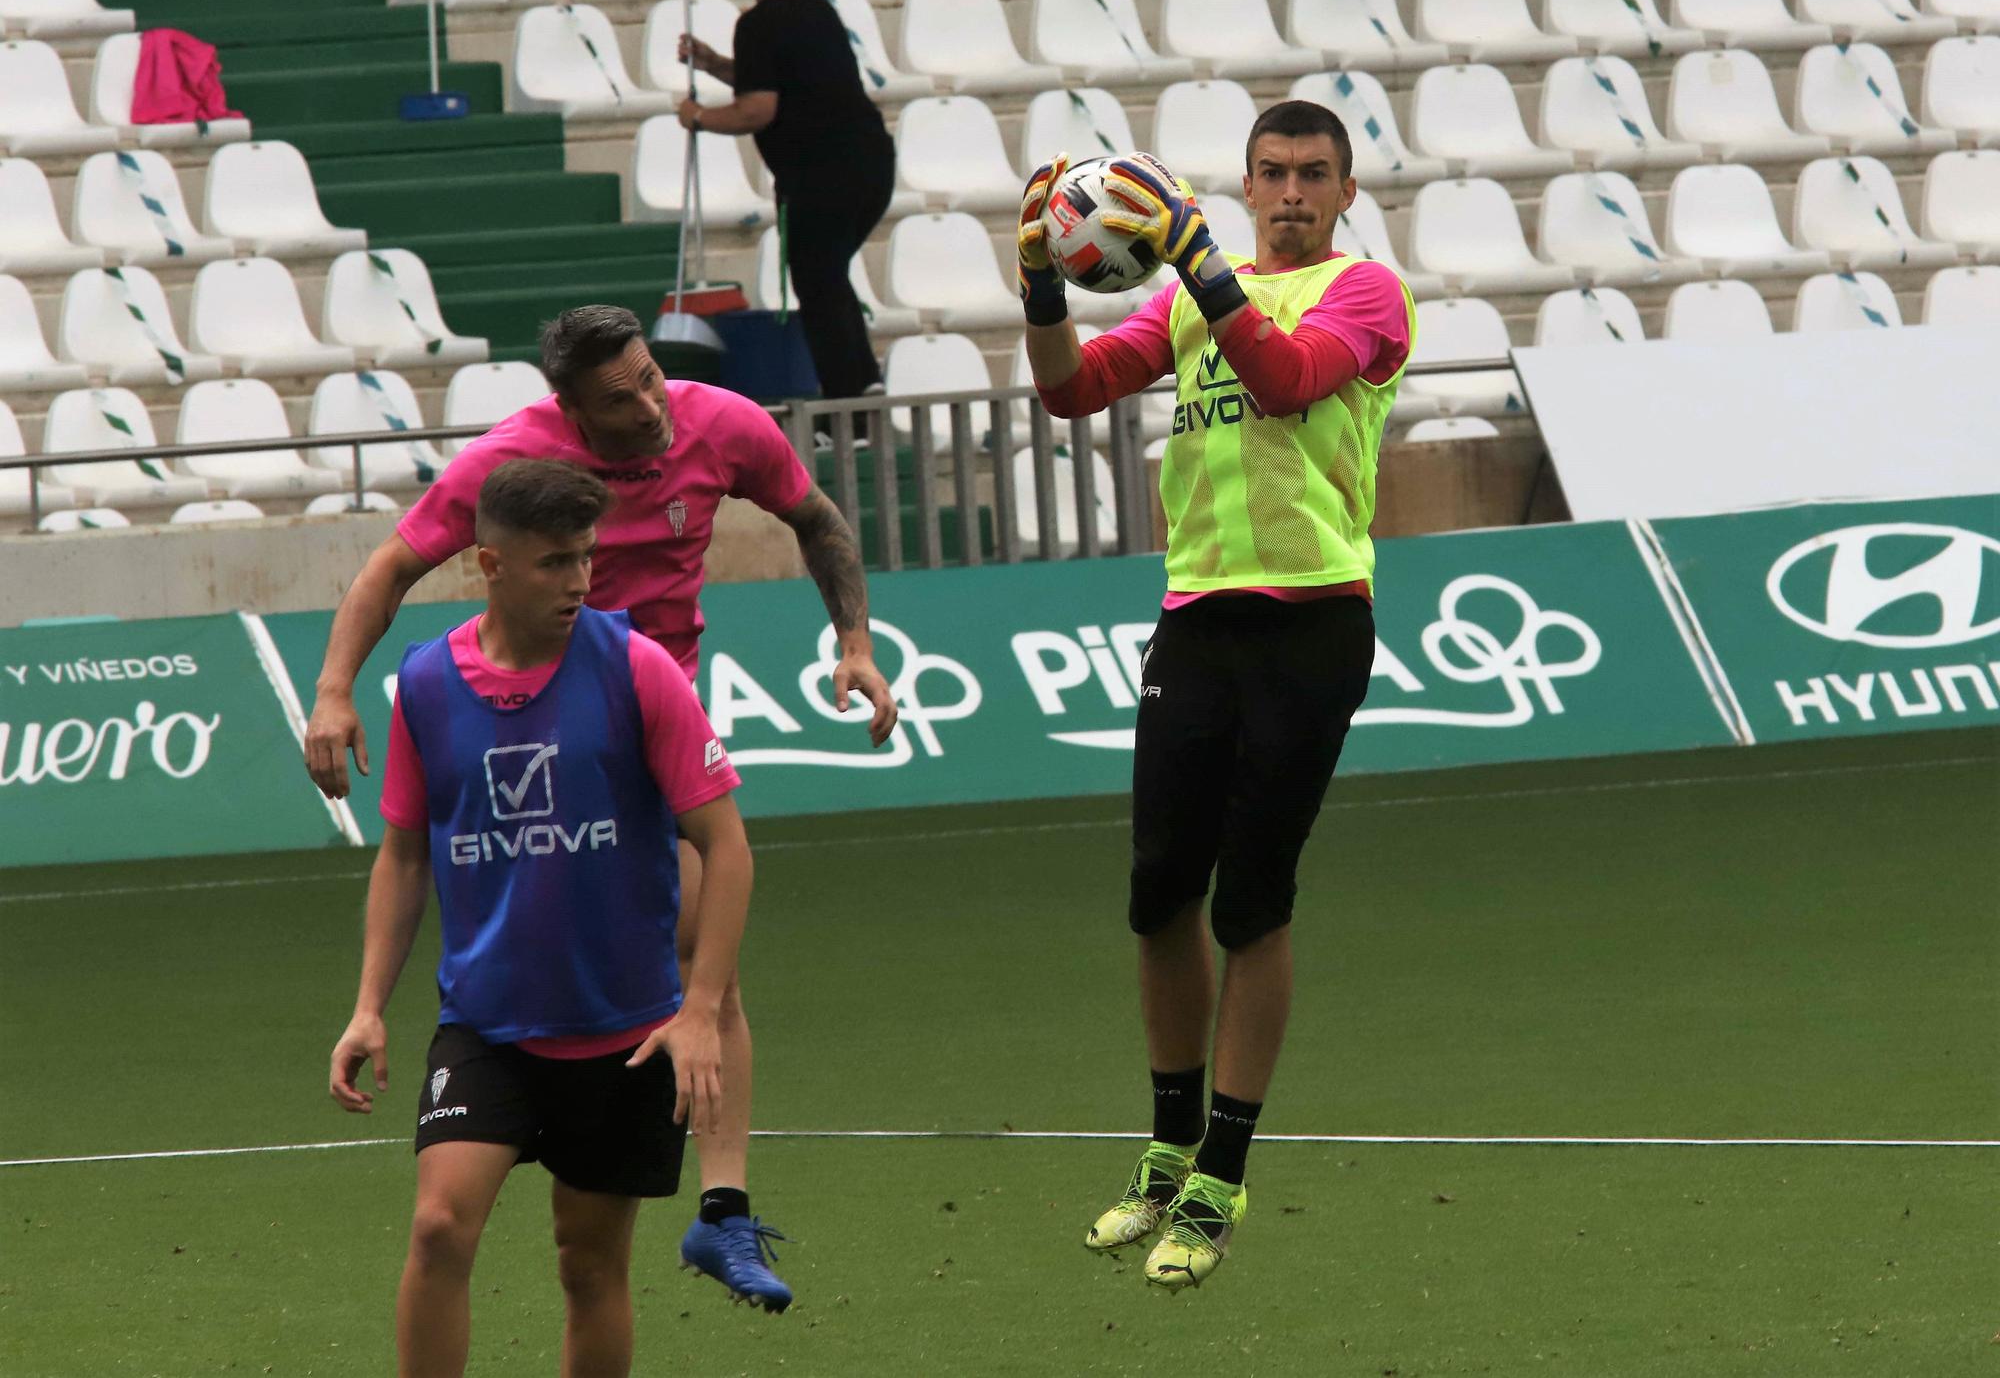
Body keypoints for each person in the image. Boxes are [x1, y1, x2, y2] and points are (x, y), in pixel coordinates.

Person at [305, 304, 896, 1311]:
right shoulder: (512, 464)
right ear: (569, 410)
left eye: (652, 378)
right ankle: (506, 1081)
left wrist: (855, 641)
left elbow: (816, 518)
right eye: (621, 400)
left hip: (652, 718)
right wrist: (330, 690)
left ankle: (722, 1213)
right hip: (538, 719)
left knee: (706, 954)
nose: (652, 407)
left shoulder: (721, 422)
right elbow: (391, 566)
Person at [1019, 101, 1414, 1289]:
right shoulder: (1195, 288)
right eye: (1271, 173)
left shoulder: (1366, 294)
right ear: (1243, 184)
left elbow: (1288, 381)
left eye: (1312, 175)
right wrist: (1039, 278)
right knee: (1154, 897)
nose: (1290, 192)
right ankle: (1164, 1146)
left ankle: (1222, 1174)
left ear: (1345, 192)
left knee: (1249, 901)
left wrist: (1197, 265)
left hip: (1311, 618)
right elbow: (1070, 390)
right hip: (1196, 615)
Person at [327, 459, 753, 1377]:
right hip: (487, 1025)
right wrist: (369, 1004)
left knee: (588, 1262)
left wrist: (702, 1008)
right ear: (490, 562)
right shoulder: (429, 685)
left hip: (627, 1032)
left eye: (587, 558)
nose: (579, 581)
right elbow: (404, 855)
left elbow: (728, 848)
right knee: (439, 1226)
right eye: (556, 562)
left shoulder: (637, 667)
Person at [675, 0, 897, 403]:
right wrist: (716, 65)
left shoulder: (757, 24)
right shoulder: (817, 9)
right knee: (828, 275)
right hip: (871, 164)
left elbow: (756, 110)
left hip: (820, 173)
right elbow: (780, 79)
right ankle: (865, 382)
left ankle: (848, 405)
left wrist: (699, 117)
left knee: (817, 282)